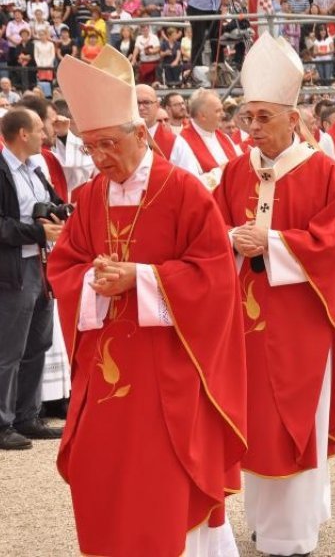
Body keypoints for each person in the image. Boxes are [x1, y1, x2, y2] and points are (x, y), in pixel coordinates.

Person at [48, 45, 246, 555]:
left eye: (109, 144)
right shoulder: (90, 196)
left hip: (168, 368)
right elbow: (64, 265)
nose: (100, 159)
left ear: (141, 134)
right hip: (106, 365)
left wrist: (139, 277)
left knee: (162, 473)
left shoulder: (182, 191)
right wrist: (92, 282)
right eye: (91, 148)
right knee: (102, 467)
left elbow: (214, 275)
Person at [212, 33, 335, 557]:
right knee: (254, 422)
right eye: (247, 118)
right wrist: (233, 239)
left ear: (292, 119)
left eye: (263, 118)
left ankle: (294, 536)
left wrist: (272, 242)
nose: (252, 130)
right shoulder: (234, 172)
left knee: (294, 419)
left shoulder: (321, 173)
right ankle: (263, 523)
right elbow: (209, 235)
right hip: (247, 324)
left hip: (301, 321)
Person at [0, 106, 65, 450]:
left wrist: (61, 213)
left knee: (37, 343)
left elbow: (52, 203)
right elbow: (2, 227)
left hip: (41, 266)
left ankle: (27, 415)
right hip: (13, 270)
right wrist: (39, 233)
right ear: (23, 134)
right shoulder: (1, 170)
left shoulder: (35, 168)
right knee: (9, 349)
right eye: (40, 128)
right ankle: (2, 422)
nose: (46, 133)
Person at [181, 89, 241, 189]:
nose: (223, 114)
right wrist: (222, 171)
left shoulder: (223, 137)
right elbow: (191, 184)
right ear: (202, 116)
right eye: (218, 111)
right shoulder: (183, 142)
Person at [136, 84, 201, 176]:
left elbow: (190, 178)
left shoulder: (177, 143)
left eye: (146, 102)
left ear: (157, 106)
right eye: (137, 103)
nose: (141, 107)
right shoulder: (120, 140)